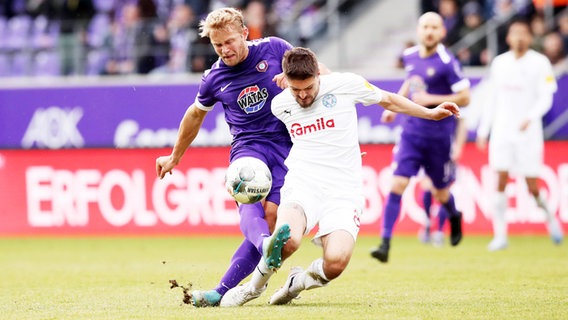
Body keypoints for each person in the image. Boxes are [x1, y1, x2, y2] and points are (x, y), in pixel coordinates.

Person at [218, 47, 460, 307]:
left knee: (335, 263)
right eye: (295, 89)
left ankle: (296, 283)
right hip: (303, 182)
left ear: (318, 76)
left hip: (344, 189)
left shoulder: (346, 85)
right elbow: (274, 140)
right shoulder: (280, 104)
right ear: (286, 81)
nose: (302, 95)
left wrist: (431, 113)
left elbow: (388, 99)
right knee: (287, 241)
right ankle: (253, 288)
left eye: (308, 88)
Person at [156, 7, 302, 307]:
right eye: (217, 45)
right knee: (247, 193)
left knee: (272, 217)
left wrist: (294, 81)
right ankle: (265, 246)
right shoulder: (214, 78)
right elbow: (194, 115)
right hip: (248, 147)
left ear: (245, 34)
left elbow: (312, 75)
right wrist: (174, 156)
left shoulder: (275, 48)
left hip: (288, 146)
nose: (225, 50)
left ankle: (221, 291)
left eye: (230, 42)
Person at [370, 11, 471, 263]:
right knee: (397, 184)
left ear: (442, 32)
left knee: (440, 192)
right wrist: (395, 108)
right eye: (425, 26)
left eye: (434, 27)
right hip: (411, 133)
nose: (429, 31)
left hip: (438, 137)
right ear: (418, 29)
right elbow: (411, 82)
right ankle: (384, 243)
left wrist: (432, 101)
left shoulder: (447, 62)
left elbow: (466, 97)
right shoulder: (410, 55)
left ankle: (454, 214)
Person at [476, 18, 564, 251]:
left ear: (530, 37)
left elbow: (546, 96)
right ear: (508, 38)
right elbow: (491, 98)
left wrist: (531, 116)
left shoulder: (540, 62)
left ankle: (551, 220)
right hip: (502, 131)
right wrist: (484, 129)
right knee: (500, 180)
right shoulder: (499, 63)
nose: (519, 37)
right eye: (515, 33)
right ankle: (500, 235)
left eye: (523, 33)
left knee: (532, 186)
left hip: (528, 133)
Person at [419, 115, 467, 246]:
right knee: (427, 187)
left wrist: (458, 147)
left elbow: (462, 120)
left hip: (446, 150)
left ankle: (439, 231)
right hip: (428, 148)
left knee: (442, 191)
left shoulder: (453, 97)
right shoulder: (423, 96)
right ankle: (428, 223)